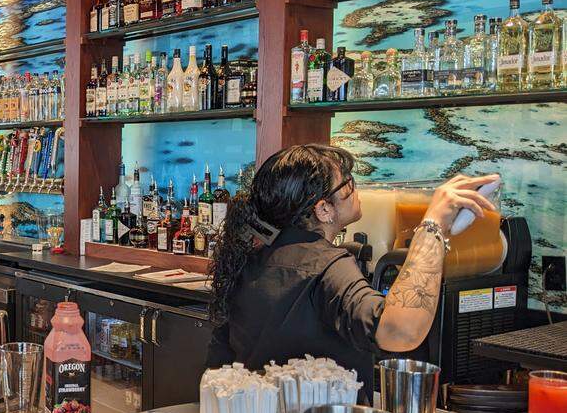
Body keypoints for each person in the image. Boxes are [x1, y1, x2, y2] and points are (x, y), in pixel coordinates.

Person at [206, 144, 497, 399]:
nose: (355, 190)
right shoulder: (326, 264)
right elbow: (400, 331)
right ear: (323, 209)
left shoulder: (252, 257)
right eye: (347, 184)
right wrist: (432, 227)